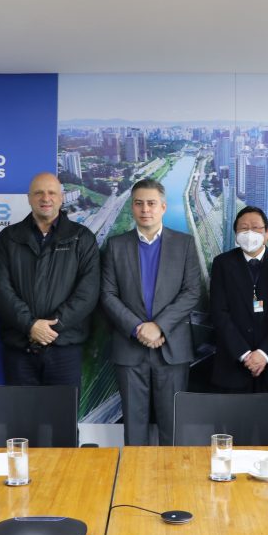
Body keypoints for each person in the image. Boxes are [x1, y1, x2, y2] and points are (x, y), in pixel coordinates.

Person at [100, 178, 202, 445]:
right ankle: (135, 475)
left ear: (163, 207)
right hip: (129, 348)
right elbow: (107, 295)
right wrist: (138, 328)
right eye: (139, 203)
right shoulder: (115, 245)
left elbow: (192, 292)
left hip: (172, 348)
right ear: (132, 208)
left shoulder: (185, 244)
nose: (145, 209)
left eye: (151, 203)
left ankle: (172, 475)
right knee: (134, 429)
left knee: (173, 428)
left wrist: (158, 326)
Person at [0, 172, 100, 388]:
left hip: (64, 349)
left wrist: (52, 328)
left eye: (51, 193)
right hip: (20, 349)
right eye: (38, 193)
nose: (45, 198)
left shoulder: (82, 237)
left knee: (62, 410)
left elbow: (88, 292)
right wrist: (30, 325)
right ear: (29, 198)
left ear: (61, 197)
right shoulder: (9, 238)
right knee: (20, 410)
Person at [209, 205, 268, 393]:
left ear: (267, 233)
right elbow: (219, 313)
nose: (250, 233)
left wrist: (264, 354)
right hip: (232, 365)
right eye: (243, 228)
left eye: (256, 227)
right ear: (236, 234)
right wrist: (244, 354)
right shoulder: (222, 264)